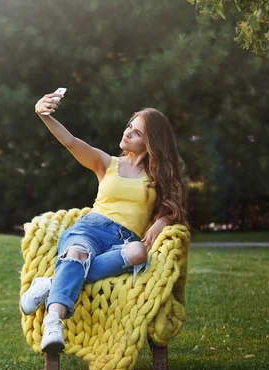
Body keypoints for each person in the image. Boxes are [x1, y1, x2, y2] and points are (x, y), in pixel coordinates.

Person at [20, 89, 188, 354]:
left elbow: (174, 208)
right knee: (77, 252)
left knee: (138, 251)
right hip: (91, 228)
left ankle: (50, 283)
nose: (127, 133)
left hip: (125, 239)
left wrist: (163, 220)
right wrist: (43, 115)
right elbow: (71, 142)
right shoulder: (106, 163)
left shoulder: (159, 177)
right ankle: (54, 322)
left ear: (151, 142)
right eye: (129, 127)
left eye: (136, 133)